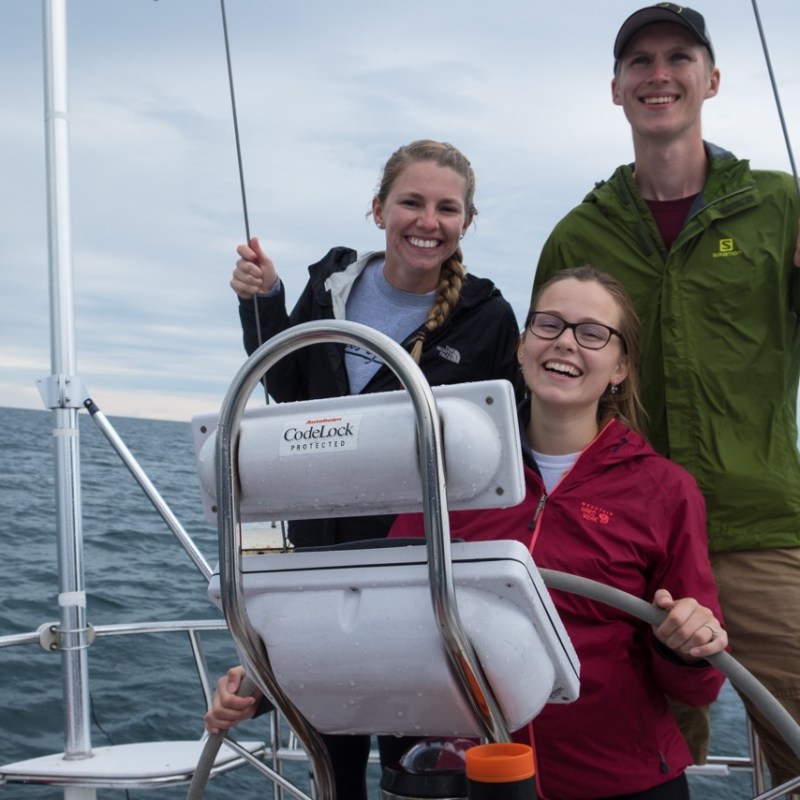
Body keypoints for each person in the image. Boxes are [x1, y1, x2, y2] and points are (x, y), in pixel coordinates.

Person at [532, 3, 800, 789]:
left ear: (711, 79)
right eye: (639, 62)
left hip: (758, 529)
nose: (659, 74)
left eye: (678, 58)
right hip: (624, 537)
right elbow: (547, 372)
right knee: (631, 759)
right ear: (615, 89)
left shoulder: (780, 207)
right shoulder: (581, 233)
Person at [205, 139, 522, 800]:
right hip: (320, 566)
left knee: (422, 771)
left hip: (425, 578)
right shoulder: (330, 284)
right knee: (333, 763)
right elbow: (287, 385)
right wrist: (264, 299)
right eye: (411, 201)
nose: (427, 220)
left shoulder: (487, 316)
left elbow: (500, 444)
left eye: (446, 207)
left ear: (467, 222)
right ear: (378, 209)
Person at [389, 266, 728, 800]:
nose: (566, 342)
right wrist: (267, 675)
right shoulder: (447, 473)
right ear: (522, 347)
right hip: (476, 775)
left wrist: (685, 645)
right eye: (549, 325)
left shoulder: (666, 490)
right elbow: (383, 613)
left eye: (592, 333)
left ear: (620, 367)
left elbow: (700, 683)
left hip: (624, 782)